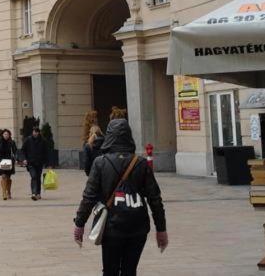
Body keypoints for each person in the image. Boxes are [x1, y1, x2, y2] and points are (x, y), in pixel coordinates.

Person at [72, 118, 168, 276]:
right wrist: (161, 229)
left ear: (109, 136)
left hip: (111, 227)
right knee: (130, 270)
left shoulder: (100, 163)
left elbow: (89, 197)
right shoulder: (141, 163)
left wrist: (79, 224)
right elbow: (155, 199)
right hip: (138, 227)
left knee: (110, 270)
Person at [20, 126, 49, 200]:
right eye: (33, 132)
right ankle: (33, 193)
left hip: (39, 163)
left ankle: (38, 193)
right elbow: (22, 150)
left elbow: (46, 152)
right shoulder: (28, 140)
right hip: (30, 163)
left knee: (38, 177)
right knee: (34, 176)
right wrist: (24, 159)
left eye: (36, 132)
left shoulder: (43, 141)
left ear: (39, 133)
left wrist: (48, 163)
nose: (34, 133)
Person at [0, 129, 18, 200]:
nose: (6, 135)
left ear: (9, 135)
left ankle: (9, 192)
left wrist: (16, 159)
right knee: (3, 176)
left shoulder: (12, 142)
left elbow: (15, 151)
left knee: (8, 178)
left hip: (9, 161)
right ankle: (4, 193)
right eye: (5, 134)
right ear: (2, 135)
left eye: (7, 134)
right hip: (1, 161)